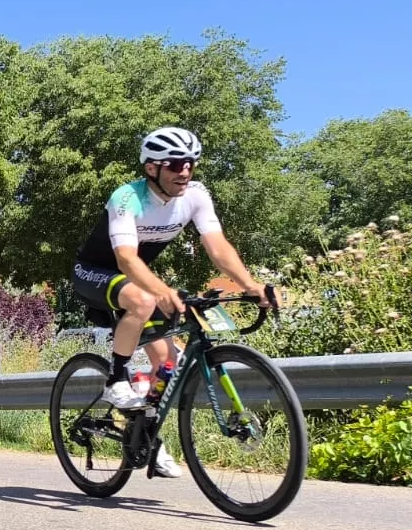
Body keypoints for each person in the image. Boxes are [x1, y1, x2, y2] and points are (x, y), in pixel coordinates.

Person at [70, 126, 272, 478]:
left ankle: (145, 435)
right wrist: (162, 291)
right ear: (152, 168)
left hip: (136, 276)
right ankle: (114, 380)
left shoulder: (195, 195)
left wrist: (250, 284)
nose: (185, 171)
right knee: (143, 299)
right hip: (94, 271)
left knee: (168, 362)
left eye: (191, 164)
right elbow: (127, 260)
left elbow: (218, 248)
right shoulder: (126, 197)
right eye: (176, 164)